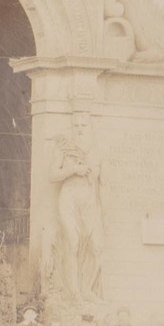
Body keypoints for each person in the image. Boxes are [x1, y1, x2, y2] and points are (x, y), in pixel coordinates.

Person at [48, 113, 104, 301]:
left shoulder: (97, 149)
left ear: (90, 128)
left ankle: (87, 288)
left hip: (89, 202)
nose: (80, 129)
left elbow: (104, 179)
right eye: (76, 125)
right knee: (72, 243)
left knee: (96, 247)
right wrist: (73, 170)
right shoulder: (63, 149)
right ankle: (74, 292)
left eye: (83, 125)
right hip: (69, 199)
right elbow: (52, 175)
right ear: (71, 129)